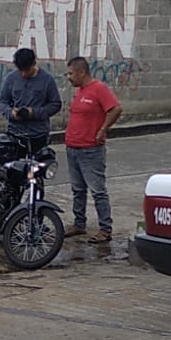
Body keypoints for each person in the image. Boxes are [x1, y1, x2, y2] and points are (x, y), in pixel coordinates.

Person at [62, 55, 123, 244]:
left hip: (90, 149)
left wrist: (103, 129)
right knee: (77, 189)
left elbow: (116, 109)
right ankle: (79, 223)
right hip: (73, 147)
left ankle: (105, 228)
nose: (69, 77)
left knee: (97, 190)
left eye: (71, 73)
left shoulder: (98, 89)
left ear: (82, 72)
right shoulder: (79, 91)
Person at [0, 46, 62, 153]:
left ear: (34, 64)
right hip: (15, 134)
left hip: (38, 134)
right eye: (20, 70)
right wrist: (11, 113)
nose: (23, 74)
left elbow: (55, 104)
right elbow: (2, 102)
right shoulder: (10, 78)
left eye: (27, 70)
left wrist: (34, 113)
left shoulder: (47, 80)